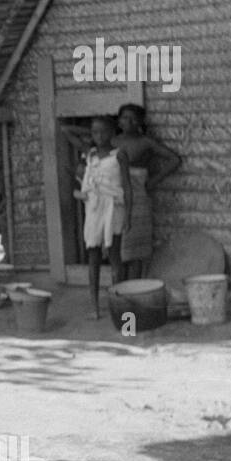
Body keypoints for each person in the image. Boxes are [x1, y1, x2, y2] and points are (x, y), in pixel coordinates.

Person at [112, 104, 181, 279]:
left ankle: (134, 290)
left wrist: (153, 181)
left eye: (134, 118)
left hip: (138, 198)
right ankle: (118, 292)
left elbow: (174, 159)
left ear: (141, 122)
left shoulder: (145, 142)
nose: (129, 121)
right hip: (115, 198)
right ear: (119, 120)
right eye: (125, 117)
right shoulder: (112, 142)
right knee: (116, 246)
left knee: (135, 249)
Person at [75, 115, 132, 318]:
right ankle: (94, 306)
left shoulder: (119, 155)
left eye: (103, 131)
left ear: (112, 133)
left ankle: (118, 304)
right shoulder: (89, 156)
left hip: (113, 208)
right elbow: (68, 133)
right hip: (93, 209)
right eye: (94, 132)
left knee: (114, 255)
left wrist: (129, 215)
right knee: (93, 256)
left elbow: (127, 186)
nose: (99, 136)